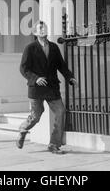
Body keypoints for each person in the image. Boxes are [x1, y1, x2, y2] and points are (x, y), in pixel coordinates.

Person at [17, 21, 77, 154]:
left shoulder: (54, 47)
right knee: (36, 116)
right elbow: (23, 68)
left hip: (52, 88)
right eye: (40, 28)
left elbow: (61, 65)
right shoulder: (30, 48)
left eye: (45, 27)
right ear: (35, 32)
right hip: (36, 89)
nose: (43, 29)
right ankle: (23, 129)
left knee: (60, 112)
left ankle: (54, 145)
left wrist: (70, 77)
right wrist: (36, 78)